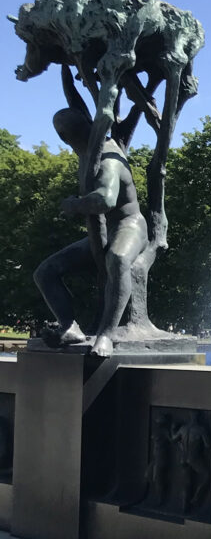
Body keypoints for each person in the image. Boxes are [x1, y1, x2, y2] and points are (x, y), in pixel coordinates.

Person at [35, 106, 148, 357]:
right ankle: (69, 326)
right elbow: (76, 96)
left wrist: (74, 204)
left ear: (63, 138)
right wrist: (68, 72)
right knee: (45, 272)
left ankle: (106, 335)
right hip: (104, 230)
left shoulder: (106, 157)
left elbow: (106, 200)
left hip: (130, 226)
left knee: (117, 260)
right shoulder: (85, 150)